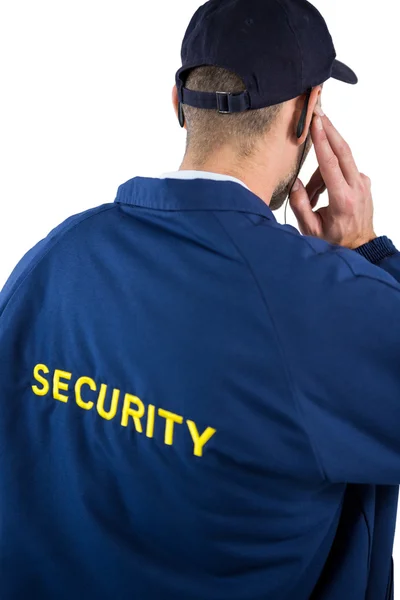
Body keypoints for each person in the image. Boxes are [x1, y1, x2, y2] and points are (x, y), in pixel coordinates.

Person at [0, 0, 398, 598]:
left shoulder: (55, 256)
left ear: (178, 104)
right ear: (307, 114)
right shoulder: (326, 308)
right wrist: (368, 256)